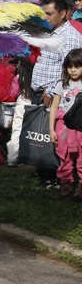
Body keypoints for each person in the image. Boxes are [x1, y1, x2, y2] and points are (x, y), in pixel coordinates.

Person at [31, 0, 82, 106]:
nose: (45, 17)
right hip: (39, 94)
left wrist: (50, 91)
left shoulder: (69, 37)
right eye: (43, 14)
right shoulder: (48, 32)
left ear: (62, 14)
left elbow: (71, 69)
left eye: (49, 14)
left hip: (53, 97)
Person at [48, 48, 82, 197]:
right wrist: (51, 129)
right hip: (62, 129)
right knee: (65, 158)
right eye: (70, 67)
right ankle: (65, 184)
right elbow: (54, 107)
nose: (73, 70)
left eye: (77, 66)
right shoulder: (62, 85)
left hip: (80, 128)